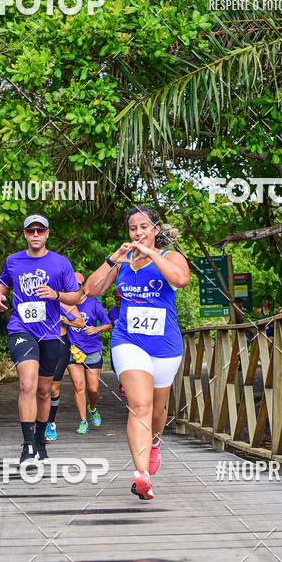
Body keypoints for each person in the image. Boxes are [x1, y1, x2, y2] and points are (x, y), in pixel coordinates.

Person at [85, 206, 190, 500]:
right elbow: (90, 290)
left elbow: (181, 279)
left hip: (165, 345)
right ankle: (142, 475)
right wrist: (112, 260)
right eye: (133, 228)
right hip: (128, 340)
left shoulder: (170, 257)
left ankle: (154, 444)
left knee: (156, 411)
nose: (138, 232)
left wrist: (151, 253)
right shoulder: (122, 263)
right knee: (140, 404)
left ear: (155, 229)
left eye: (144, 227)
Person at [0, 213, 80, 464]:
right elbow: (2, 282)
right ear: (24, 234)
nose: (35, 235)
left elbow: (75, 296)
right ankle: (28, 446)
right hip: (21, 329)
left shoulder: (61, 263)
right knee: (27, 384)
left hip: (50, 332)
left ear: (47, 234)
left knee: (43, 391)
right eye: (30, 231)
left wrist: (56, 295)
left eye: (40, 230)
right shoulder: (13, 260)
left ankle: (40, 441)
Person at [66, 272, 112, 434]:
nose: (74, 288)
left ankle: (92, 408)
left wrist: (96, 329)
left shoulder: (93, 303)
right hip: (73, 350)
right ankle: (83, 421)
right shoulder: (66, 304)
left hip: (92, 349)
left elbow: (109, 325)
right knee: (79, 387)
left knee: (93, 389)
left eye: (77, 285)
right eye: (71, 286)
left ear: (83, 286)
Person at [44, 302, 85, 442]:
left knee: (53, 388)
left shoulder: (63, 302)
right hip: (39, 341)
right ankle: (37, 422)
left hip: (60, 341)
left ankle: (51, 422)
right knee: (39, 387)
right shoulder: (32, 298)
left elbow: (80, 323)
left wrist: (61, 318)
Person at [107, 294, 125, 398]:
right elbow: (108, 324)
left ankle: (124, 385)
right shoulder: (112, 311)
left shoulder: (128, 309)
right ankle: (122, 381)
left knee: (125, 363)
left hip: (127, 341)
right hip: (115, 341)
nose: (118, 301)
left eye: (120, 299)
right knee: (114, 365)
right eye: (117, 299)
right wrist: (111, 330)